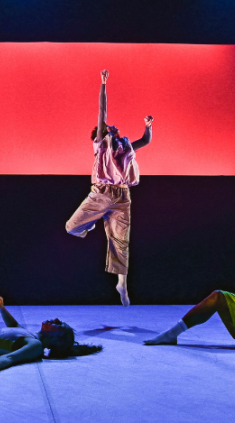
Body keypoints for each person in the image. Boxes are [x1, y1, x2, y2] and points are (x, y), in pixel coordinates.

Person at [64, 69, 153, 306]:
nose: (114, 130)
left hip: (123, 196)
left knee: (120, 241)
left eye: (115, 129)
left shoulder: (124, 149)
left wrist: (148, 126)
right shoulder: (101, 145)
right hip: (101, 194)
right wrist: (103, 84)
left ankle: (122, 285)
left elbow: (145, 141)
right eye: (109, 129)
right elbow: (102, 111)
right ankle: (87, 228)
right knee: (71, 228)